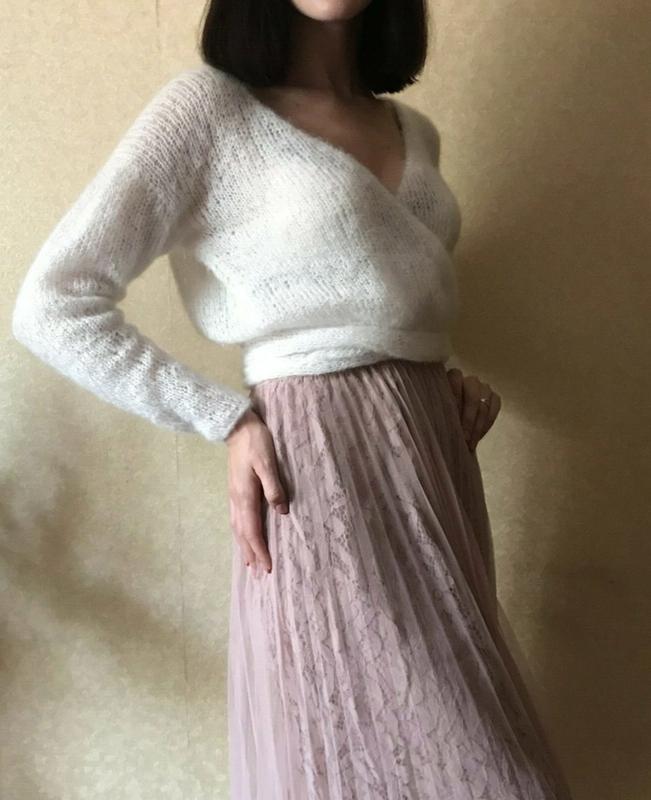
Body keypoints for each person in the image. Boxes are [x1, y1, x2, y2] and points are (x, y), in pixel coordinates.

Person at [12, 1, 575, 797]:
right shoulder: (207, 111)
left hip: (432, 466)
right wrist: (224, 417)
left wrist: (440, 378)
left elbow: (382, 296)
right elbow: (53, 304)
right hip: (315, 469)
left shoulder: (414, 131)